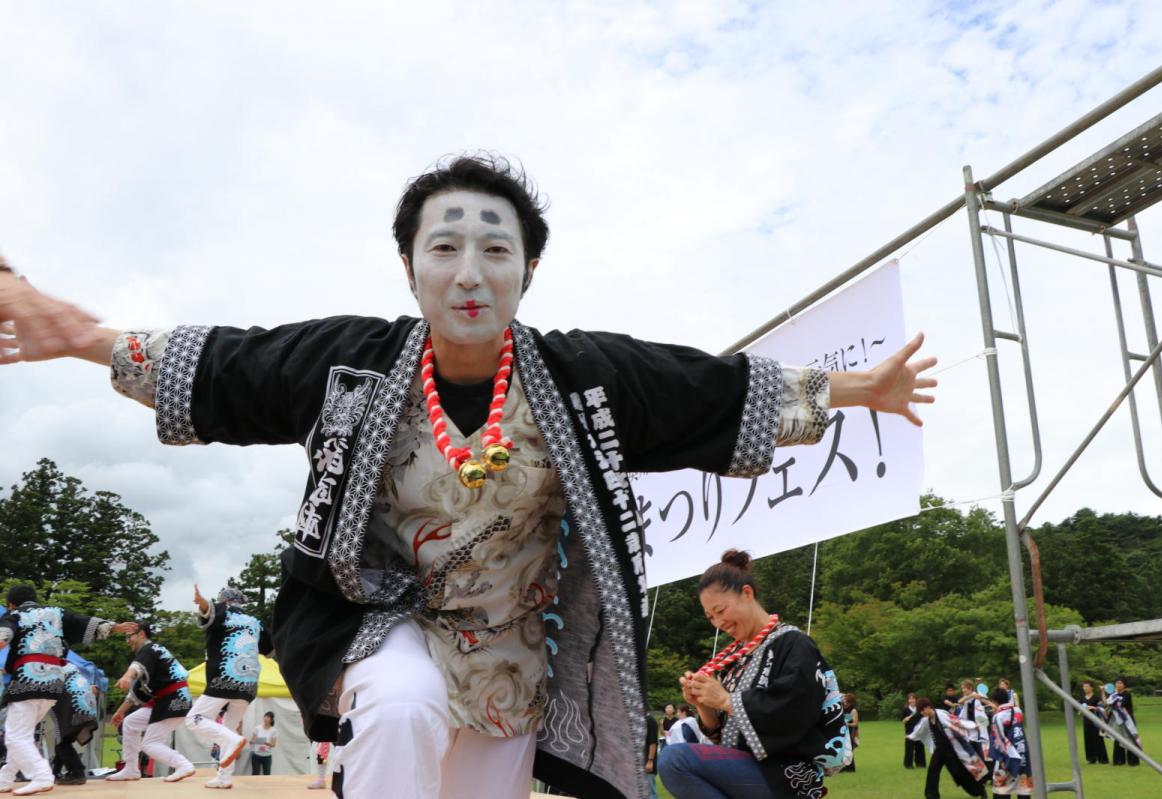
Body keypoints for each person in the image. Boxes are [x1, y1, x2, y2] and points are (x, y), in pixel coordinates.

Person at [0, 154, 937, 798]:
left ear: (529, 267)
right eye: (443, 247)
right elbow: (226, 365)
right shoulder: (349, 363)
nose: (469, 271)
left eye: (495, 249)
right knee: (403, 705)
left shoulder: (585, 377)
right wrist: (79, 333)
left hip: (513, 651)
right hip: (382, 622)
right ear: (408, 265)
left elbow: (711, 389)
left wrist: (860, 388)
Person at [660, 550, 852, 799]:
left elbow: (794, 712)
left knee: (675, 760)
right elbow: (722, 737)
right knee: (676, 761)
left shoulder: (795, 644)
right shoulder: (735, 658)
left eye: (720, 610)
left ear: (747, 593)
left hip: (786, 773)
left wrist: (727, 701)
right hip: (743, 768)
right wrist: (704, 705)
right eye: (710, 617)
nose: (718, 623)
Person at [0, 584, 135, 795]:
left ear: (11, 604)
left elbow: (4, 635)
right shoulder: (56, 612)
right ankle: (5, 779)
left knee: (15, 736)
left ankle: (41, 776)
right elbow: (83, 621)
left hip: (29, 679)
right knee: (21, 733)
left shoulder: (14, 615)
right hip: (54, 682)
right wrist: (115, 626)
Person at [187, 584, 274, 789]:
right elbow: (269, 651)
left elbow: (210, 611)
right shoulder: (255, 621)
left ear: (224, 601)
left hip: (225, 676)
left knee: (193, 719)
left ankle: (234, 740)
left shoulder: (222, 611)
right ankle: (224, 777)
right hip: (250, 684)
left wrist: (202, 603)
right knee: (229, 727)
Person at [106, 622, 196, 783]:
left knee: (150, 744)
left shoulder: (149, 649)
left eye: (129, 636)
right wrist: (120, 711)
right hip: (170, 699)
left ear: (141, 634)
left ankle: (183, 765)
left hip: (173, 700)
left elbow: (137, 667)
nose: (127, 641)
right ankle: (131, 769)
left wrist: (127, 675)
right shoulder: (154, 654)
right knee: (130, 723)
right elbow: (138, 692)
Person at [907, 697, 988, 799]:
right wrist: (911, 736)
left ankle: (980, 791)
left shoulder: (941, 715)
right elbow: (919, 729)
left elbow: (957, 721)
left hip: (951, 750)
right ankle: (931, 795)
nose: (921, 713)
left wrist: (971, 725)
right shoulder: (926, 720)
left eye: (922, 710)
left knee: (960, 774)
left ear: (927, 707)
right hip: (939, 750)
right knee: (932, 770)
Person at [48, 661, 100, 786]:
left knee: (62, 743)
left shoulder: (49, 666)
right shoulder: (70, 665)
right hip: (86, 705)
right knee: (62, 740)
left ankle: (77, 772)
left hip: (73, 706)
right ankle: (54, 773)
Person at [988, 686, 1032, 796]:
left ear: (995, 701)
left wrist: (1001, 759)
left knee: (1001, 791)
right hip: (1023, 755)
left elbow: (998, 740)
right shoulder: (1018, 711)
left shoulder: (997, 717)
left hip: (1008, 756)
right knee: (1023, 791)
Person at [1107, 678, 1140, 766]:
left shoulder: (1127, 694)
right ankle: (1119, 761)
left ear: (1124, 685)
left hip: (1127, 720)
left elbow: (1121, 703)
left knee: (1130, 740)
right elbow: (1107, 703)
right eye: (1117, 683)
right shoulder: (1114, 695)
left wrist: (1115, 699)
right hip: (1118, 721)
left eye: (1120, 683)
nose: (1118, 685)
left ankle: (1133, 761)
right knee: (1118, 740)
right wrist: (1103, 692)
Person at [1080, 681, 1108, 764]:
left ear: (1091, 687)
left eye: (1087, 686)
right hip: (1086, 721)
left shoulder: (1096, 698)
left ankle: (1102, 759)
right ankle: (1091, 758)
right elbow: (1080, 709)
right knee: (1088, 740)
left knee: (1098, 739)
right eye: (1084, 686)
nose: (1085, 688)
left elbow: (1103, 707)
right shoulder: (1082, 698)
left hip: (1095, 721)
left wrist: (1093, 707)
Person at [903, 691, 927, 769]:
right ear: (908, 700)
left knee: (919, 748)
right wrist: (905, 720)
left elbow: (924, 719)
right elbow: (903, 722)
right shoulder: (906, 710)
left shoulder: (919, 709)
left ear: (916, 700)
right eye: (910, 699)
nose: (912, 700)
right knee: (909, 749)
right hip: (909, 731)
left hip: (919, 731)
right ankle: (908, 765)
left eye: (913, 699)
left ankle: (921, 764)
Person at [643, 710, 659, 799]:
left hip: (647, 760)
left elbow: (653, 743)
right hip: (640, 760)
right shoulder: (640, 720)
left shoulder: (650, 720)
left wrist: (650, 761)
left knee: (651, 792)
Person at [842, 693, 859, 772]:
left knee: (849, 750)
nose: (845, 703)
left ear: (851, 702)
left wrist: (847, 724)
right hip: (842, 732)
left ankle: (850, 768)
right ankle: (842, 767)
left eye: (847, 701)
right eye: (845, 700)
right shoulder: (840, 708)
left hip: (850, 733)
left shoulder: (853, 710)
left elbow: (855, 723)